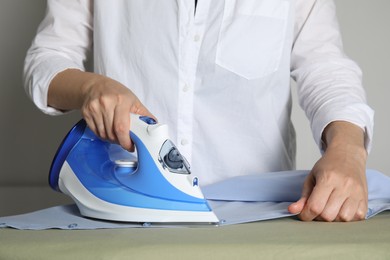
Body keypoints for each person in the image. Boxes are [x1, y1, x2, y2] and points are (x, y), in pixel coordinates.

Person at [23, 0, 374, 222]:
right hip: (126, 225)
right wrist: (90, 88)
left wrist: (347, 149)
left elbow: (324, 67)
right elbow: (47, 59)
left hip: (256, 217)